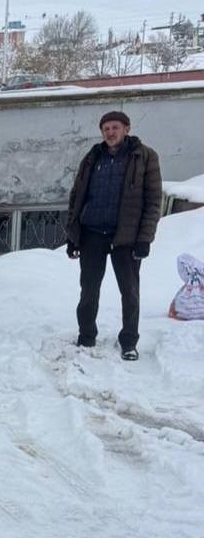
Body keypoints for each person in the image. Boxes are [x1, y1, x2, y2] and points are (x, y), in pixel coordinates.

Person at [66, 111, 162, 360]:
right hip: (92, 233)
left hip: (126, 236)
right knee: (88, 289)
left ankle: (129, 341)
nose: (110, 132)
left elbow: (153, 201)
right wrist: (73, 234)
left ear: (127, 128)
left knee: (129, 292)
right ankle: (86, 336)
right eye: (106, 128)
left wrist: (144, 238)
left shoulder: (145, 156)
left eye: (115, 127)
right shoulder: (92, 157)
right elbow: (77, 196)